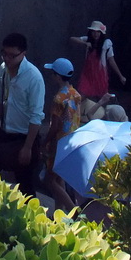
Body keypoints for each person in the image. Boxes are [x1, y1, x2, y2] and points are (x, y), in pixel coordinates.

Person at [0, 32, 45, 196]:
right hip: (4, 132)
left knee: (25, 186)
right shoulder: (3, 70)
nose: (7, 59)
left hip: (24, 137)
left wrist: (27, 147)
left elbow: (36, 116)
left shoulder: (34, 78)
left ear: (23, 54)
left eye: (12, 55)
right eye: (4, 54)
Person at [41, 57, 82, 210]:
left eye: (53, 73)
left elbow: (55, 125)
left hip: (59, 143)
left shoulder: (59, 98)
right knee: (59, 179)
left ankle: (75, 211)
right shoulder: (75, 94)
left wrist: (45, 142)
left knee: (49, 180)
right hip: (72, 141)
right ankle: (59, 215)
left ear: (58, 76)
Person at [70, 21, 126, 115]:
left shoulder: (106, 44)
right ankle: (72, 114)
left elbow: (111, 60)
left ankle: (106, 117)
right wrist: (85, 44)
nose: (96, 34)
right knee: (81, 96)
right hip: (88, 75)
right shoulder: (87, 40)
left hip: (100, 76)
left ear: (101, 33)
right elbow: (72, 38)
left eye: (98, 32)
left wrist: (120, 76)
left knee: (103, 99)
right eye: (94, 31)